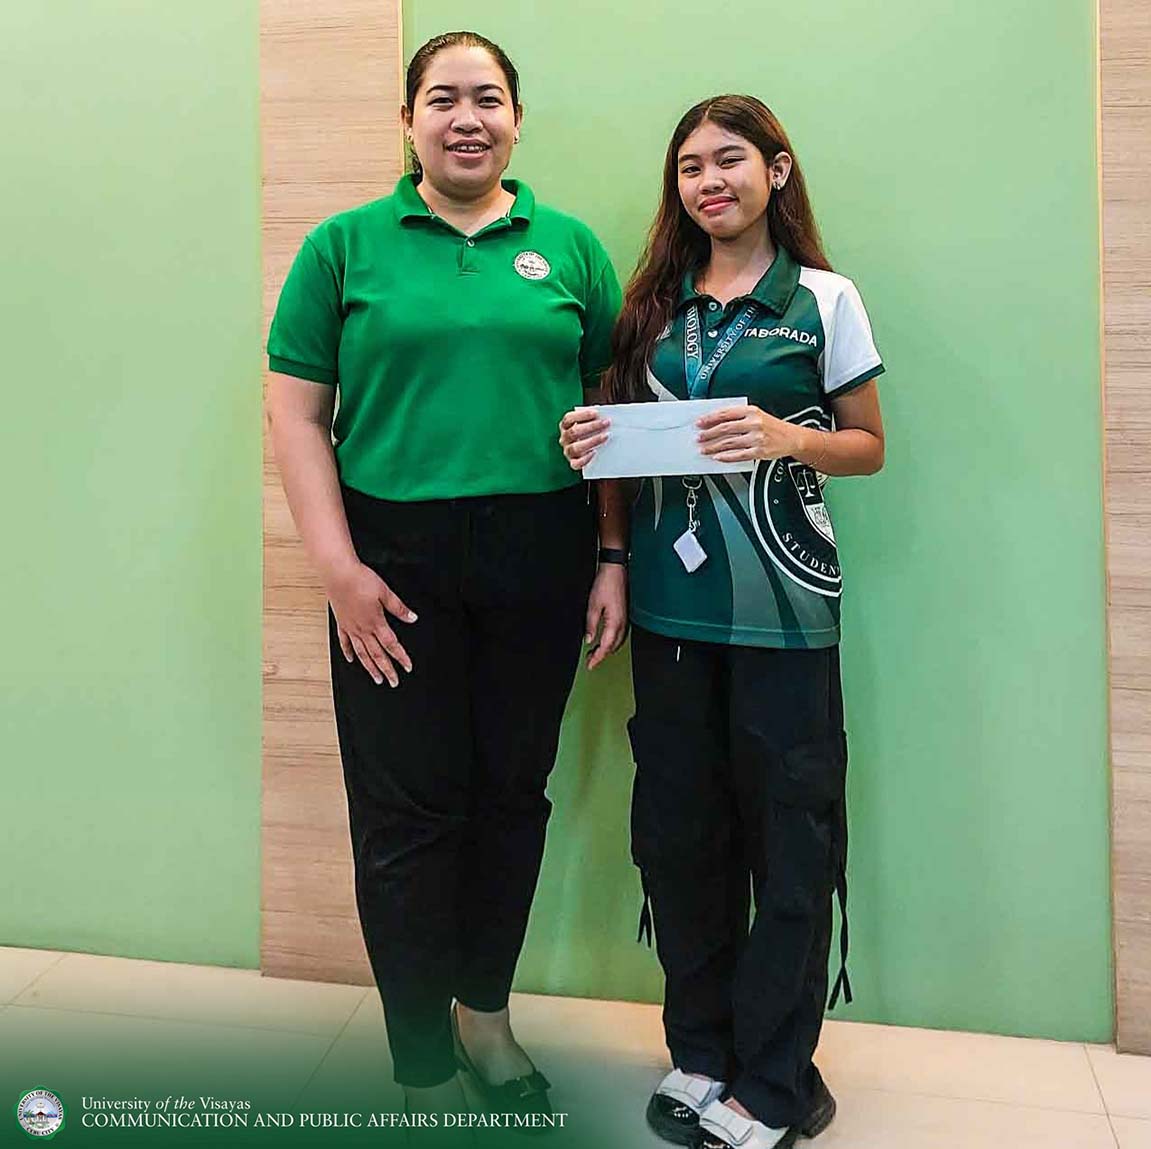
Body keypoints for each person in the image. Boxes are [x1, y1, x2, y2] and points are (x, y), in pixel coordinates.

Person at [266, 30, 626, 1126]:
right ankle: (419, 1054)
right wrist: (339, 570)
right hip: (391, 561)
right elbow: (297, 414)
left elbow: (609, 416)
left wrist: (611, 555)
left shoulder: (570, 248)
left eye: (487, 98)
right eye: (442, 98)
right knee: (405, 812)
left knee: (511, 797)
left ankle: (487, 1019)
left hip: (540, 550)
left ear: (516, 118)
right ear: (409, 120)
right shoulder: (343, 246)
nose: (466, 118)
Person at [559, 95, 886, 1149]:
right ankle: (701, 1053)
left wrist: (788, 438)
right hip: (670, 614)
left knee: (789, 842)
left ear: (776, 171)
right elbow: (618, 456)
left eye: (731, 160)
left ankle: (777, 1080)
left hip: (787, 615)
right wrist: (604, 517)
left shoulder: (824, 299)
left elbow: (868, 445)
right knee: (680, 837)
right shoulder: (649, 310)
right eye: (692, 166)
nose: (711, 181)